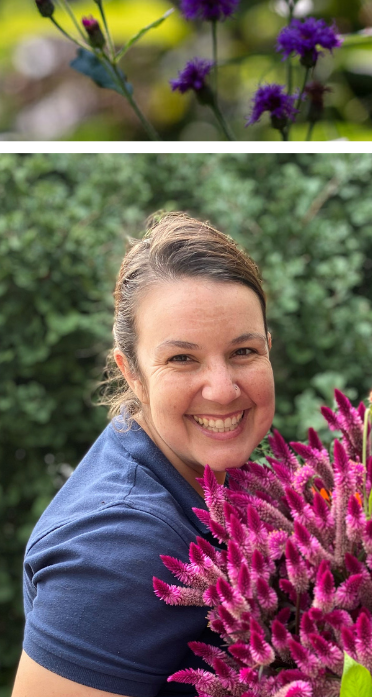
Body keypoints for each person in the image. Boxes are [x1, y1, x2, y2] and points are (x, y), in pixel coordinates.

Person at [17, 213, 276, 697]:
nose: (222, 390)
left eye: (244, 352)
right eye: (182, 359)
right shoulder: (118, 545)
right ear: (132, 372)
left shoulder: (198, 469)